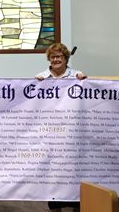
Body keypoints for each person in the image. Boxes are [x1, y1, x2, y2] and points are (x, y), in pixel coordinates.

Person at [36, 43, 84, 212]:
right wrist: (36, 83)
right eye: (53, 57)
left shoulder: (77, 76)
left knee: (73, 169)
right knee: (53, 171)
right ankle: (55, 207)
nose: (56, 59)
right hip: (50, 131)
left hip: (71, 131)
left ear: (66, 59)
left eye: (59, 56)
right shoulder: (40, 77)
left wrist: (85, 81)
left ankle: (76, 205)